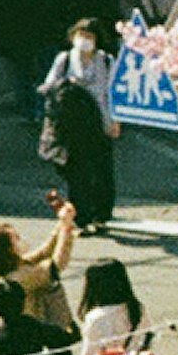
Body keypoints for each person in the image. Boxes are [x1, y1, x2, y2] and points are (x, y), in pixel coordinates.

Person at [37, 22, 118, 232]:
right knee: (77, 173)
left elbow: (114, 93)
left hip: (99, 123)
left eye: (89, 35)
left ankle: (101, 214)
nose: (84, 40)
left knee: (101, 172)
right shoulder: (64, 60)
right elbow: (48, 87)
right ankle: (81, 217)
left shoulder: (107, 61)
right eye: (80, 34)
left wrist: (115, 121)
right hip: (71, 125)